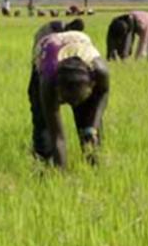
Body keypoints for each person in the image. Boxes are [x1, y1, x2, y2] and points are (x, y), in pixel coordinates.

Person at [28, 29, 110, 168]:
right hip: (47, 52)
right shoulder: (47, 81)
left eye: (78, 101)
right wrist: (62, 175)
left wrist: (93, 127)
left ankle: (94, 167)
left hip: (77, 47)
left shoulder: (100, 71)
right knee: (44, 132)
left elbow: (102, 95)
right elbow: (57, 137)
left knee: (90, 131)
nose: (73, 104)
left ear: (92, 84)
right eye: (66, 99)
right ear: (57, 90)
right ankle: (44, 169)